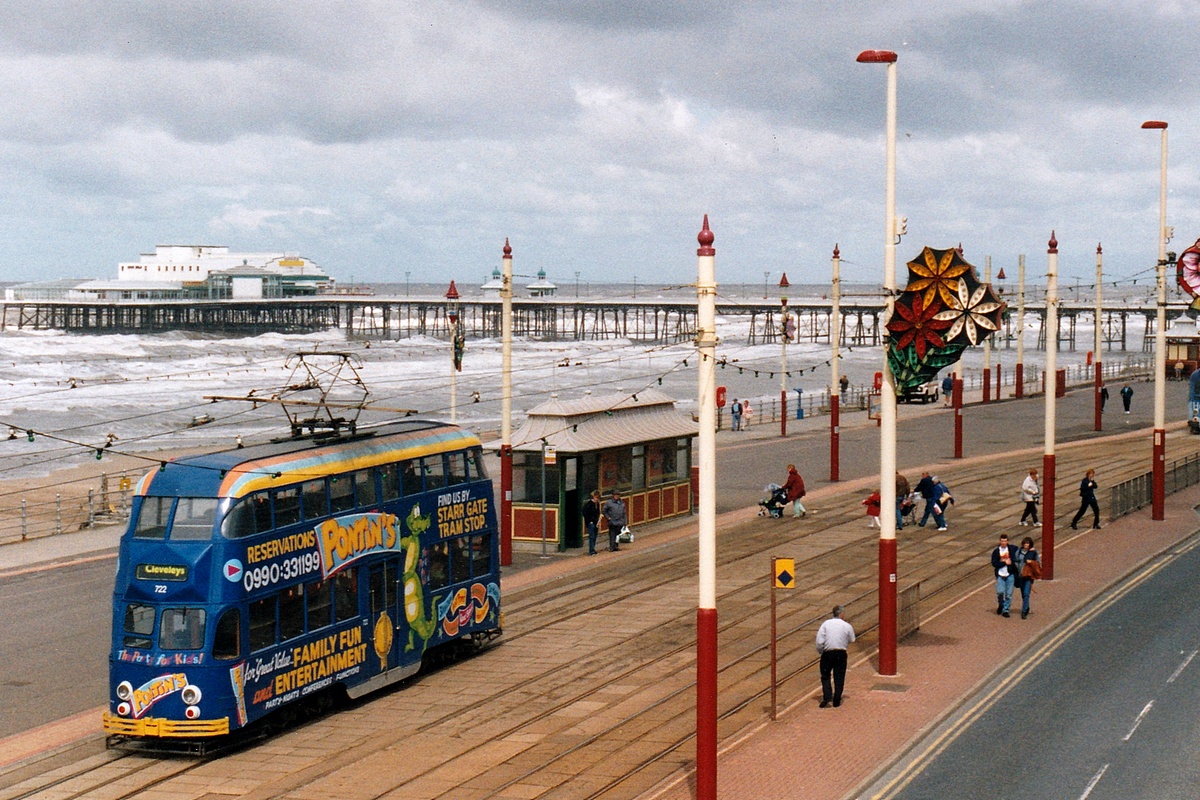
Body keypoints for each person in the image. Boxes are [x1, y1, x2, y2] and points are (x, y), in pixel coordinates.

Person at [815, 605, 855, 708]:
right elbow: (852, 639)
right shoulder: (847, 626)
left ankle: (827, 696)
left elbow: (819, 641)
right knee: (839, 676)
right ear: (841, 614)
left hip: (827, 653)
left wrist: (821, 651)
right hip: (841, 653)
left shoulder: (826, 624)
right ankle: (837, 698)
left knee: (825, 675)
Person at [991, 533, 1020, 617]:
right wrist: (1004, 563)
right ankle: (1001, 604)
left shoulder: (1012, 549)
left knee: (1008, 594)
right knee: (1000, 592)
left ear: (1007, 541)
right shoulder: (996, 551)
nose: (1003, 542)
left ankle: (1005, 610)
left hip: (1010, 574)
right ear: (1000, 541)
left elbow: (1019, 552)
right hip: (1000, 575)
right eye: (1002, 541)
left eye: (1005, 541)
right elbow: (994, 563)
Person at [1014, 536, 1040, 619]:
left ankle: (1024, 611)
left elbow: (1037, 563)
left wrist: (1031, 562)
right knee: (1023, 593)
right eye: (1025, 543)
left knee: (1026, 593)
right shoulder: (1019, 552)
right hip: (1021, 575)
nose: (1026, 545)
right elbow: (1016, 561)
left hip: (1029, 576)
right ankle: (1026, 606)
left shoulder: (1034, 553)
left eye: (1027, 543)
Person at [582, 490, 601, 556]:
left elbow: (598, 513)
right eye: (596, 498)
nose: (597, 499)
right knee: (592, 536)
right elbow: (585, 513)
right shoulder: (589, 504)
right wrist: (590, 521)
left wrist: (598, 520)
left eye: (597, 498)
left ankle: (593, 549)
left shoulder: (597, 504)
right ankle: (591, 550)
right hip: (591, 523)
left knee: (595, 536)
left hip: (596, 522)